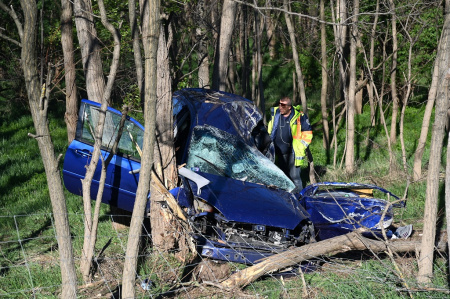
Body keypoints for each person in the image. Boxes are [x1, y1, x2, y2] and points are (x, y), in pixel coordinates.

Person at [267, 97, 313, 191]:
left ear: (289, 107)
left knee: (295, 177)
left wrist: (300, 147)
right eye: (279, 104)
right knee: (283, 178)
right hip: (278, 152)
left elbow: (308, 134)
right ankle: (287, 200)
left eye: (283, 105)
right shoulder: (275, 114)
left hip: (293, 152)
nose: (280, 107)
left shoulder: (299, 116)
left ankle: (299, 199)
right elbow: (270, 129)